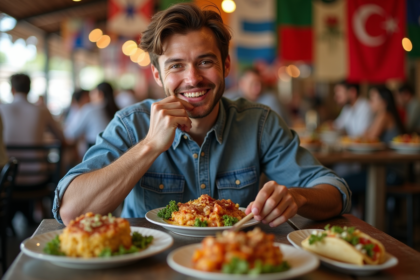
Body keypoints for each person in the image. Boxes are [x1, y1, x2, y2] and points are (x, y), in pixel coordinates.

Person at [54, 3, 350, 226]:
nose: (193, 79)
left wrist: (298, 197)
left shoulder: (259, 123)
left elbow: (335, 192)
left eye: (205, 61)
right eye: (176, 66)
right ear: (157, 76)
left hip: (233, 265)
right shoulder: (131, 124)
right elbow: (71, 211)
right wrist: (149, 146)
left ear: (226, 65)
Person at [224, 68, 290, 125]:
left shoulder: (270, 100)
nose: (258, 89)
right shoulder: (229, 99)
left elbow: (282, 126)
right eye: (253, 84)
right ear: (242, 84)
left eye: (260, 84)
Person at [65, 82, 119, 147]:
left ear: (100, 94)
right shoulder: (118, 109)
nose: (91, 96)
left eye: (93, 93)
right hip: (115, 149)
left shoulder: (90, 109)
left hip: (95, 149)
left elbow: (71, 133)